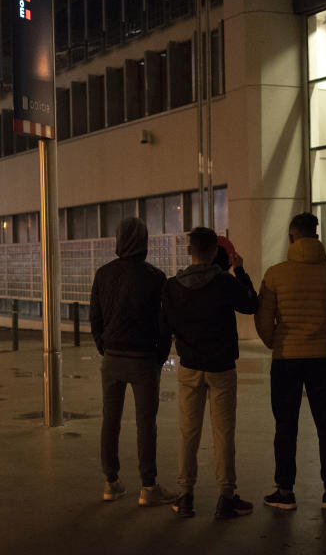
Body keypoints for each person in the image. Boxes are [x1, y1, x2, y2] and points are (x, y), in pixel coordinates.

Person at [162, 227, 258, 519]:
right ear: (215, 253)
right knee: (223, 433)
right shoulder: (224, 283)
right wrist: (240, 271)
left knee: (188, 433)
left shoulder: (172, 286)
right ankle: (226, 497)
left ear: (189, 251)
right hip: (221, 368)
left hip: (190, 366)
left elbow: (166, 325)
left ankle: (185, 496)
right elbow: (252, 304)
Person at [254, 212, 326, 511]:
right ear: (316, 236)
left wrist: (275, 341)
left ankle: (285, 490)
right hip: (322, 357)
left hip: (286, 359)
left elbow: (264, 318)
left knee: (285, 425)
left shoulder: (275, 273)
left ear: (292, 237)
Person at [89, 217, 175, 507]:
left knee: (110, 421)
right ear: (143, 241)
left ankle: (110, 482)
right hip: (143, 360)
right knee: (145, 424)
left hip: (112, 358)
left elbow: (95, 318)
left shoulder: (103, 274)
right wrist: (159, 356)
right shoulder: (155, 277)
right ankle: (148, 486)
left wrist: (105, 347)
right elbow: (165, 324)